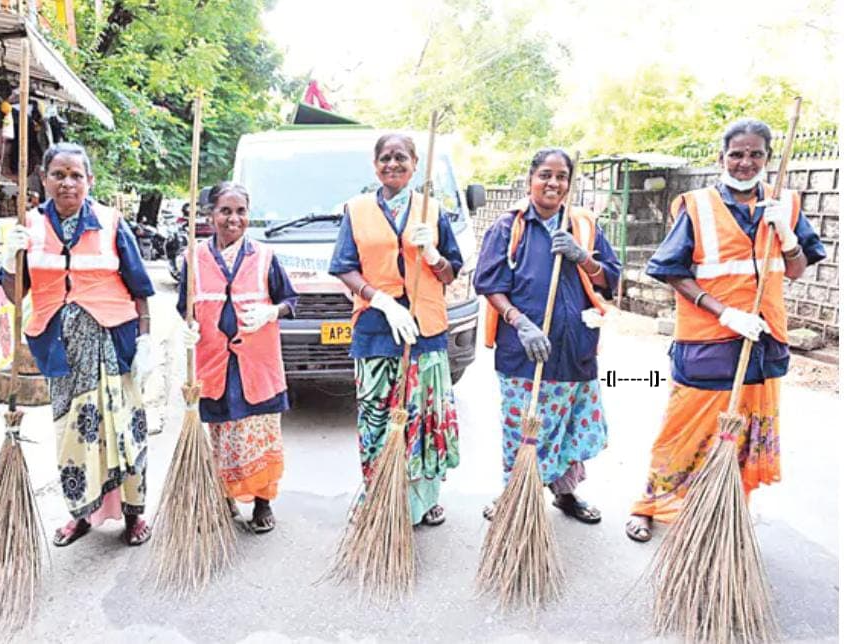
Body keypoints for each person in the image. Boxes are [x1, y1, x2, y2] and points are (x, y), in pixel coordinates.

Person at [626, 119, 826, 542]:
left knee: (744, 434)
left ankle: (728, 506)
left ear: (768, 159)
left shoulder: (784, 204)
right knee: (682, 430)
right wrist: (724, 312)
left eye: (755, 154)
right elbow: (671, 270)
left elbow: (796, 270)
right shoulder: (698, 206)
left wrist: (788, 238)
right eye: (736, 154)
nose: (745, 162)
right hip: (707, 340)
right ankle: (650, 505)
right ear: (721, 157)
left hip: (763, 341)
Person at [0, 142, 155, 547]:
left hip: (114, 345)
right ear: (44, 178)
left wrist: (146, 340)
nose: (68, 183)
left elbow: (139, 287)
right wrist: (8, 258)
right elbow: (16, 296)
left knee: (125, 431)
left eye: (76, 175)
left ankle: (134, 515)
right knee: (72, 436)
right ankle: (81, 515)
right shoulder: (28, 226)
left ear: (90, 181)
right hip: (60, 351)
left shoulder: (111, 222)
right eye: (59, 175)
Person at [474, 148, 621, 524]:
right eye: (545, 175)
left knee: (570, 427)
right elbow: (488, 282)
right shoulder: (509, 227)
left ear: (569, 184)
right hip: (523, 352)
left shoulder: (584, 225)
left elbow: (611, 279)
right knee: (524, 430)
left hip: (575, 350)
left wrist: (581, 256)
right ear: (530, 179)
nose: (552, 183)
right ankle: (514, 495)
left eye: (560, 176)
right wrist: (519, 321)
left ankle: (565, 493)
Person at [329, 133, 462, 527]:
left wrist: (434, 255)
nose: (393, 164)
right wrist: (380, 301)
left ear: (414, 163)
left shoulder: (432, 211)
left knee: (423, 417)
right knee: (376, 417)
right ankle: (378, 494)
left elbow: (453, 270)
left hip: (425, 331)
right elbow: (343, 266)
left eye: (400, 157)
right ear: (375, 166)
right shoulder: (357, 210)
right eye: (385, 158)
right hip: (375, 329)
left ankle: (424, 498)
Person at [175, 181, 297, 534]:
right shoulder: (193, 258)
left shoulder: (264, 256)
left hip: (256, 365)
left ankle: (262, 503)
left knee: (258, 433)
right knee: (222, 434)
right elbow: (185, 304)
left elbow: (291, 300)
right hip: (214, 362)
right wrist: (188, 327)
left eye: (240, 211)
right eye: (225, 211)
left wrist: (272, 312)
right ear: (210, 216)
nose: (233, 219)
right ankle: (223, 496)